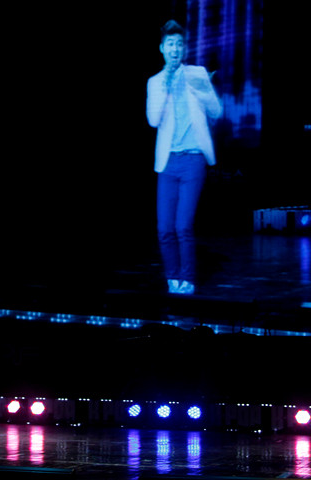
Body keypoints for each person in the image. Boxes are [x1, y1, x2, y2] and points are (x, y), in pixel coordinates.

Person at [146, 20, 223, 295]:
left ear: (184, 48)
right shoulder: (155, 82)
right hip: (168, 162)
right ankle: (173, 277)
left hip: (193, 160)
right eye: (170, 44)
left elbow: (216, 111)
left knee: (183, 226)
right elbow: (153, 120)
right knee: (164, 228)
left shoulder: (197, 73)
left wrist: (204, 88)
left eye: (179, 44)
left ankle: (188, 278)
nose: (175, 48)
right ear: (162, 48)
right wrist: (166, 86)